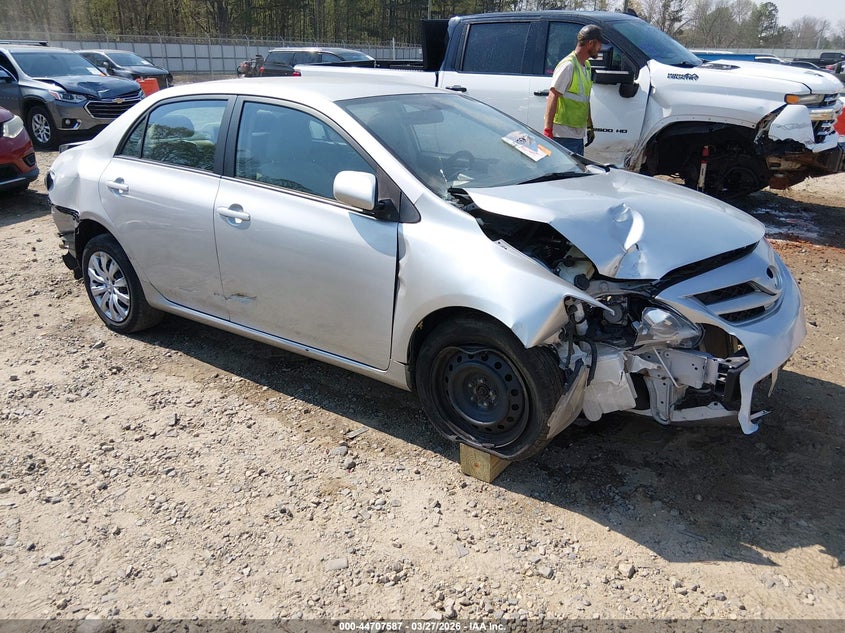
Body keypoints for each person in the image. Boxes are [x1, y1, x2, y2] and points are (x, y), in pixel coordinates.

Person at [543, 24, 603, 155]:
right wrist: (548, 131)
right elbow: (553, 97)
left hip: (577, 135)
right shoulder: (568, 66)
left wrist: (589, 126)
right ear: (591, 43)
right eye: (599, 44)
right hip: (563, 135)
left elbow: (584, 100)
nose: (600, 48)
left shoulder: (586, 66)